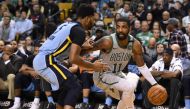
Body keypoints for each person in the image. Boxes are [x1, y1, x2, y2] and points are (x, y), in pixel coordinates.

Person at [33, 4, 110, 109]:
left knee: (68, 87)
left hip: (43, 59)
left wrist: (83, 47)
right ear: (87, 18)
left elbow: (65, 49)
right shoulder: (79, 31)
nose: (93, 22)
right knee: (75, 85)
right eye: (93, 19)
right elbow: (73, 58)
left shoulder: (66, 25)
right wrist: (93, 66)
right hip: (47, 61)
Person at [84, 17, 164, 109]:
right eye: (118, 27)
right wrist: (82, 46)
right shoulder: (107, 41)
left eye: (124, 27)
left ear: (129, 29)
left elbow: (142, 67)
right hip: (102, 75)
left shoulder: (135, 44)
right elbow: (81, 51)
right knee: (129, 88)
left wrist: (155, 84)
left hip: (116, 74)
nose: (120, 30)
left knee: (130, 95)